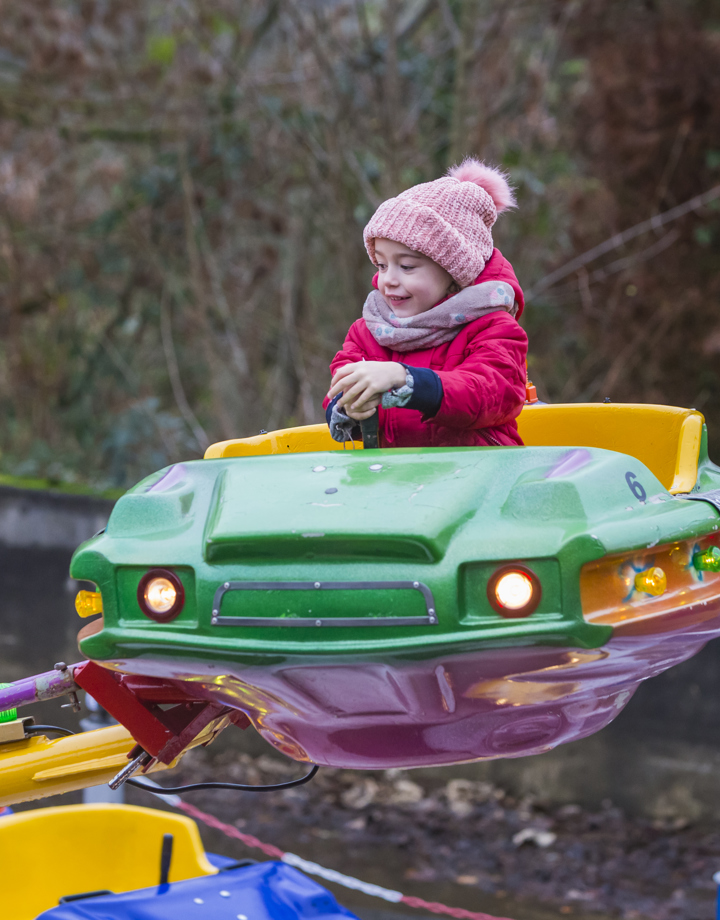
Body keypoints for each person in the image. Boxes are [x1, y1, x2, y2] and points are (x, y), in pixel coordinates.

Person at [324, 158, 527, 448]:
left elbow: (492, 393)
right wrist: (348, 409)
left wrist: (408, 381)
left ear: (454, 271)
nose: (388, 280)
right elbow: (337, 391)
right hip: (396, 483)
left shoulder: (493, 328)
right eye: (381, 265)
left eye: (406, 266)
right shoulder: (367, 332)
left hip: (480, 481)